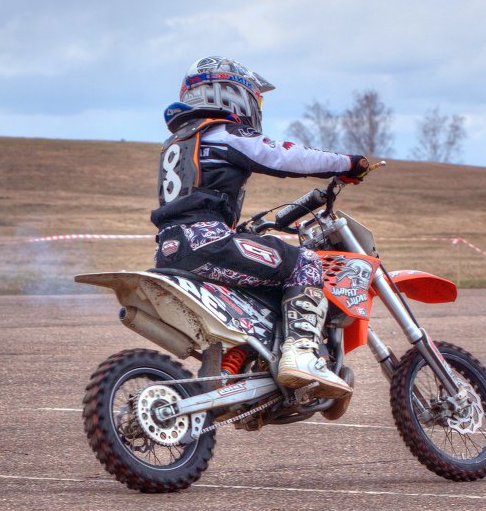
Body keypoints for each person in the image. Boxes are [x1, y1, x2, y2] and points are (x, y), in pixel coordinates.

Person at [150, 56, 370, 398]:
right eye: (256, 97)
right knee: (304, 263)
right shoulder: (222, 132)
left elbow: (195, 197)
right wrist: (347, 163)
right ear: (229, 93)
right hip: (206, 241)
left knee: (262, 283)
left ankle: (236, 368)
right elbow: (282, 156)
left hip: (170, 248)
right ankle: (300, 356)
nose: (257, 105)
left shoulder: (178, 142)